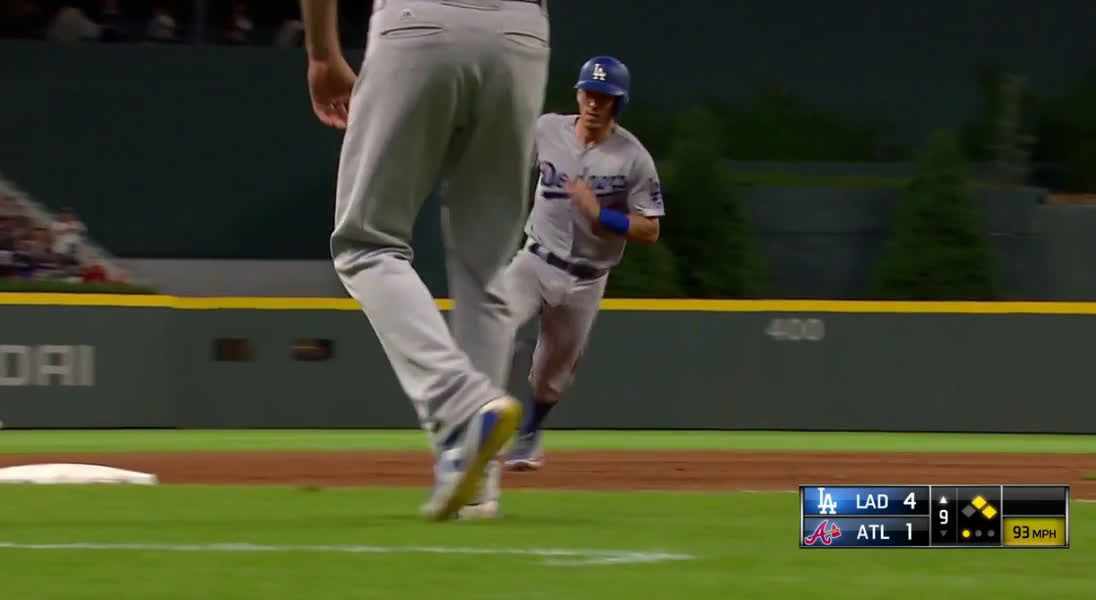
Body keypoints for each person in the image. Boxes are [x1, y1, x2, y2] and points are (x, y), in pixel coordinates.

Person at [298, 0, 550, 520]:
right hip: (523, 34)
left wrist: (322, 51)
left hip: (421, 21)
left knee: (366, 245)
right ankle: (473, 484)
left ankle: (461, 405)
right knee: (489, 270)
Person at [499, 56, 666, 471]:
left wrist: (602, 215)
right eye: (588, 93)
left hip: (587, 279)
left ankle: (529, 436)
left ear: (618, 103)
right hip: (535, 261)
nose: (593, 103)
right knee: (492, 322)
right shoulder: (547, 130)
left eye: (603, 97)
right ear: (577, 94)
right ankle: (478, 422)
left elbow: (650, 229)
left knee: (551, 375)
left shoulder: (633, 158)